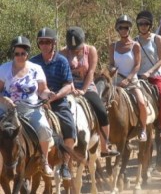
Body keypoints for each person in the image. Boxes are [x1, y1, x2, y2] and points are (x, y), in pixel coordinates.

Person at [0, 36, 54, 177]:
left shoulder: (36, 69)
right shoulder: (4, 69)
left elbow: (42, 90)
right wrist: (4, 99)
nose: (19, 56)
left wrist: (48, 94)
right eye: (17, 53)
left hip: (30, 108)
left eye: (22, 53)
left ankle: (45, 161)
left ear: (27, 54)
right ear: (13, 53)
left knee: (43, 127)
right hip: (6, 108)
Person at [61, 27, 119, 156]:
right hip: (67, 86)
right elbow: (64, 74)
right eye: (73, 48)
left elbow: (91, 72)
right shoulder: (63, 53)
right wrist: (71, 88)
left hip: (87, 85)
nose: (75, 50)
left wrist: (83, 90)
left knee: (102, 112)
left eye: (78, 48)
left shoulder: (91, 50)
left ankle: (104, 147)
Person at [30, 27, 76, 180]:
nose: (44, 45)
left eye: (47, 42)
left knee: (70, 127)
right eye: (41, 42)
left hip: (58, 102)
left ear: (53, 43)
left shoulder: (62, 61)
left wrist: (54, 97)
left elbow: (69, 85)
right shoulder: (32, 62)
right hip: (37, 103)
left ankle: (65, 164)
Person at [110, 15, 149, 142]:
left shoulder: (135, 45)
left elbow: (137, 64)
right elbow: (111, 63)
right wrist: (111, 71)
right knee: (104, 102)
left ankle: (143, 129)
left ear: (129, 29)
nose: (124, 30)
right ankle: (104, 133)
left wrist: (128, 79)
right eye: (121, 27)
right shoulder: (113, 46)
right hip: (116, 82)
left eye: (126, 27)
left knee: (141, 103)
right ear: (118, 29)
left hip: (131, 82)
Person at [134, 10, 161, 139]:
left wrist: (149, 72)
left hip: (154, 76)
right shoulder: (134, 41)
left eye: (145, 23)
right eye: (140, 23)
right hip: (138, 77)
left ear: (150, 25)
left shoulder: (157, 38)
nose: (143, 26)